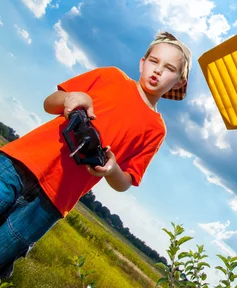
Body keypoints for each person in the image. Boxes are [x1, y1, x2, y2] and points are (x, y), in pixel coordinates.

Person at [0, 31, 192, 277]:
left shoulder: (156, 129)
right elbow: (50, 103)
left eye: (168, 68)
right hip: (19, 164)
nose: (157, 71)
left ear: (178, 82)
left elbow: (125, 182)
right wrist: (71, 97)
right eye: (154, 61)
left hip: (53, 201)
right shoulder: (110, 76)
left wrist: (112, 170)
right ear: (142, 63)